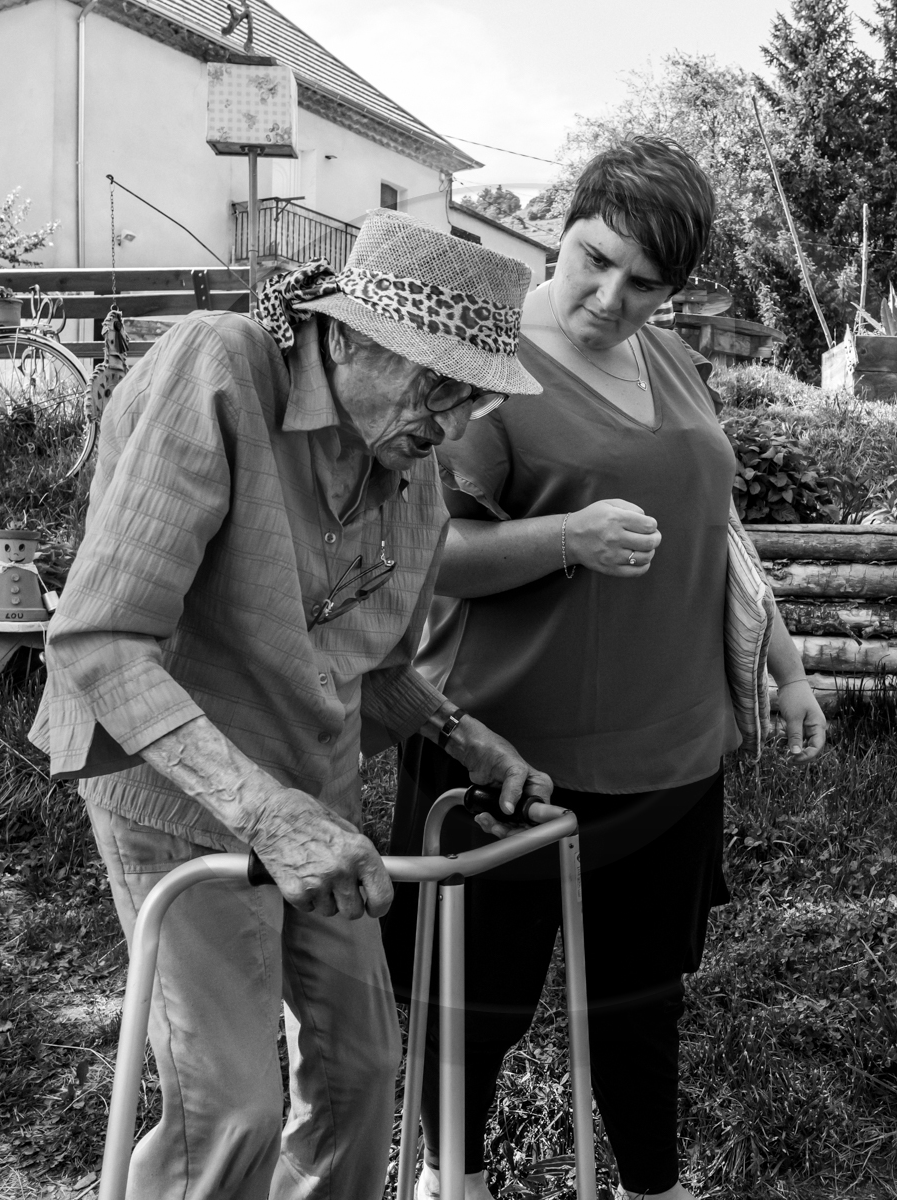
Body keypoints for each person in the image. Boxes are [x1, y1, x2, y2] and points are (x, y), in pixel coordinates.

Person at [28, 209, 555, 1200]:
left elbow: (370, 665)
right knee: (231, 1109)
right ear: (346, 337)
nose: (451, 426)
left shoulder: (410, 471)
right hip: (180, 791)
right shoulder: (221, 368)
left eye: (475, 399)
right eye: (438, 385)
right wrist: (267, 816)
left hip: (314, 799)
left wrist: (459, 733)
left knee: (362, 1073)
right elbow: (102, 639)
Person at [383, 140, 828, 1200]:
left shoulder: (670, 361)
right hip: (507, 749)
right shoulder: (484, 362)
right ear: (562, 229)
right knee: (473, 1004)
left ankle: (651, 1188)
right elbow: (418, 556)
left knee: (639, 1002)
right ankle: (457, 1178)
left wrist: (786, 665)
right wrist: (566, 538)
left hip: (673, 749)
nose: (611, 298)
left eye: (646, 283)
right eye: (595, 259)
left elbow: (715, 527)